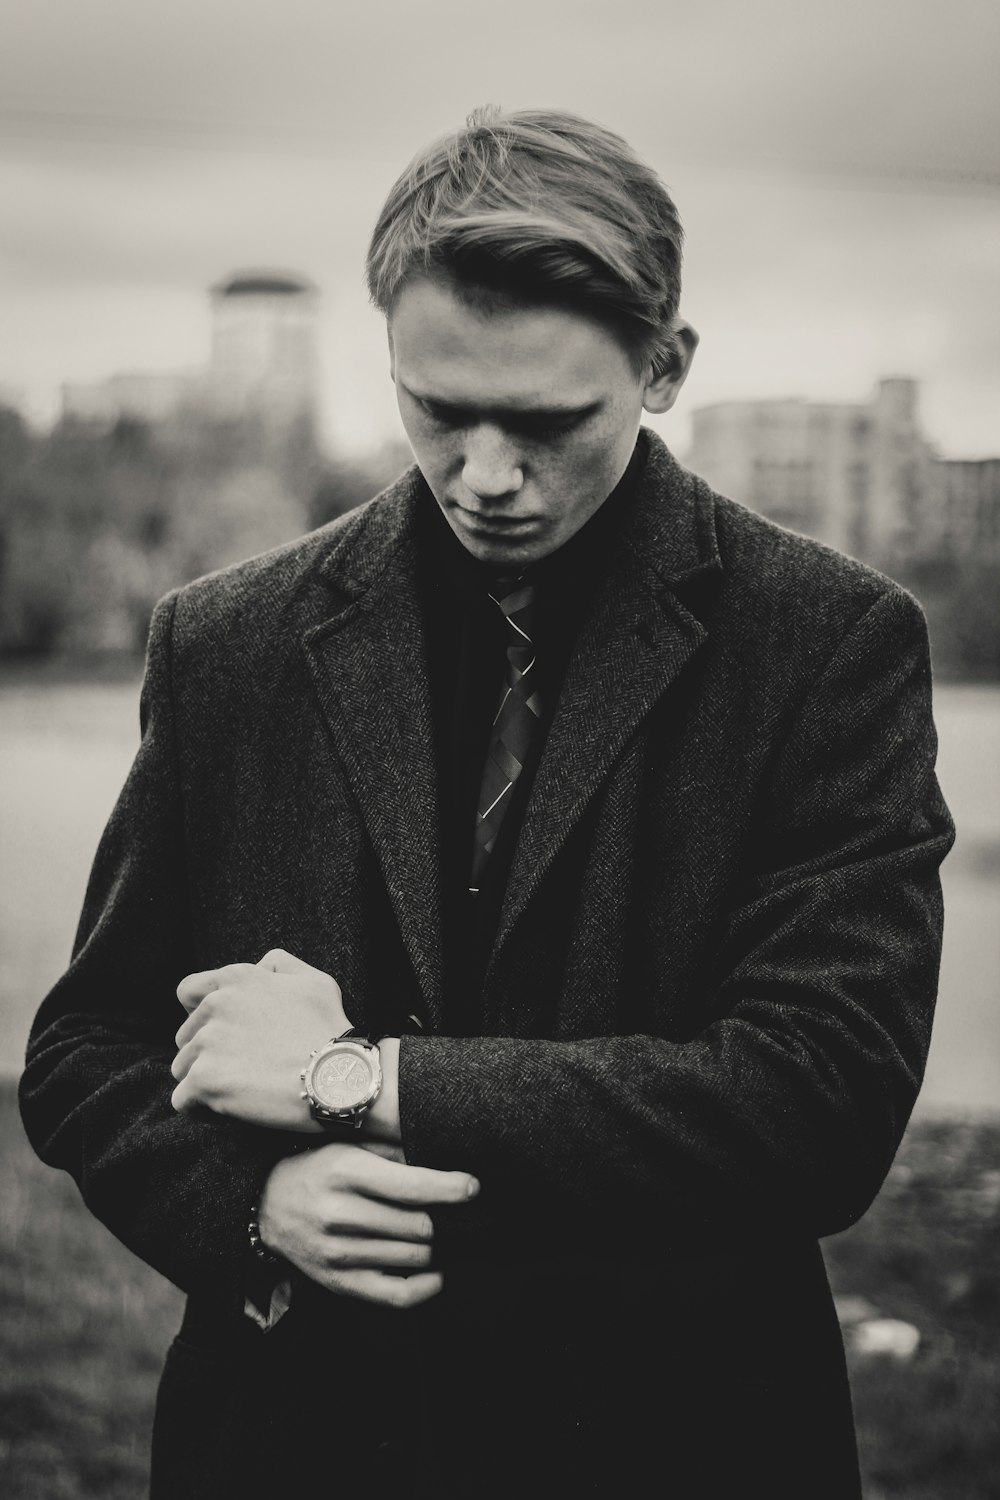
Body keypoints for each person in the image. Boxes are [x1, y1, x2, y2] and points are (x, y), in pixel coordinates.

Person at [20, 106, 954, 1499]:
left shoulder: (830, 645)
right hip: (296, 1448)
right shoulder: (226, 645)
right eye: (440, 412)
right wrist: (250, 1213)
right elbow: (85, 1050)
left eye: (547, 421)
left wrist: (362, 1082)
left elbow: (818, 1111)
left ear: (665, 366)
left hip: (678, 1446)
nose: (488, 475)